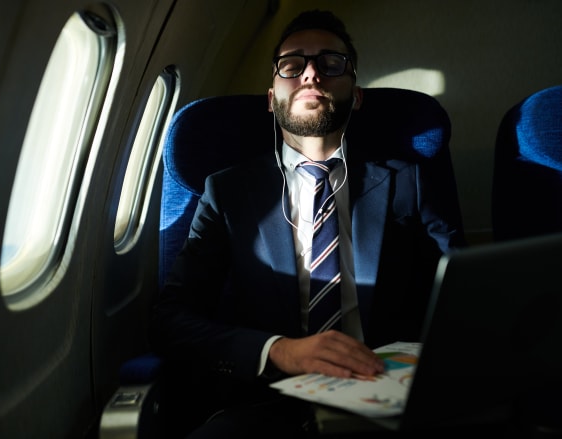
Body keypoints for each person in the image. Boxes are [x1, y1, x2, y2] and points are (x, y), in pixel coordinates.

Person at [149, 9, 465, 438]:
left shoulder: (409, 180)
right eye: (292, 65)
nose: (311, 74)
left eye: (331, 63)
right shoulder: (227, 193)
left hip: (386, 394)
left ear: (355, 95)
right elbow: (173, 318)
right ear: (270, 97)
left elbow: (461, 295)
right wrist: (277, 351)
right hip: (268, 400)